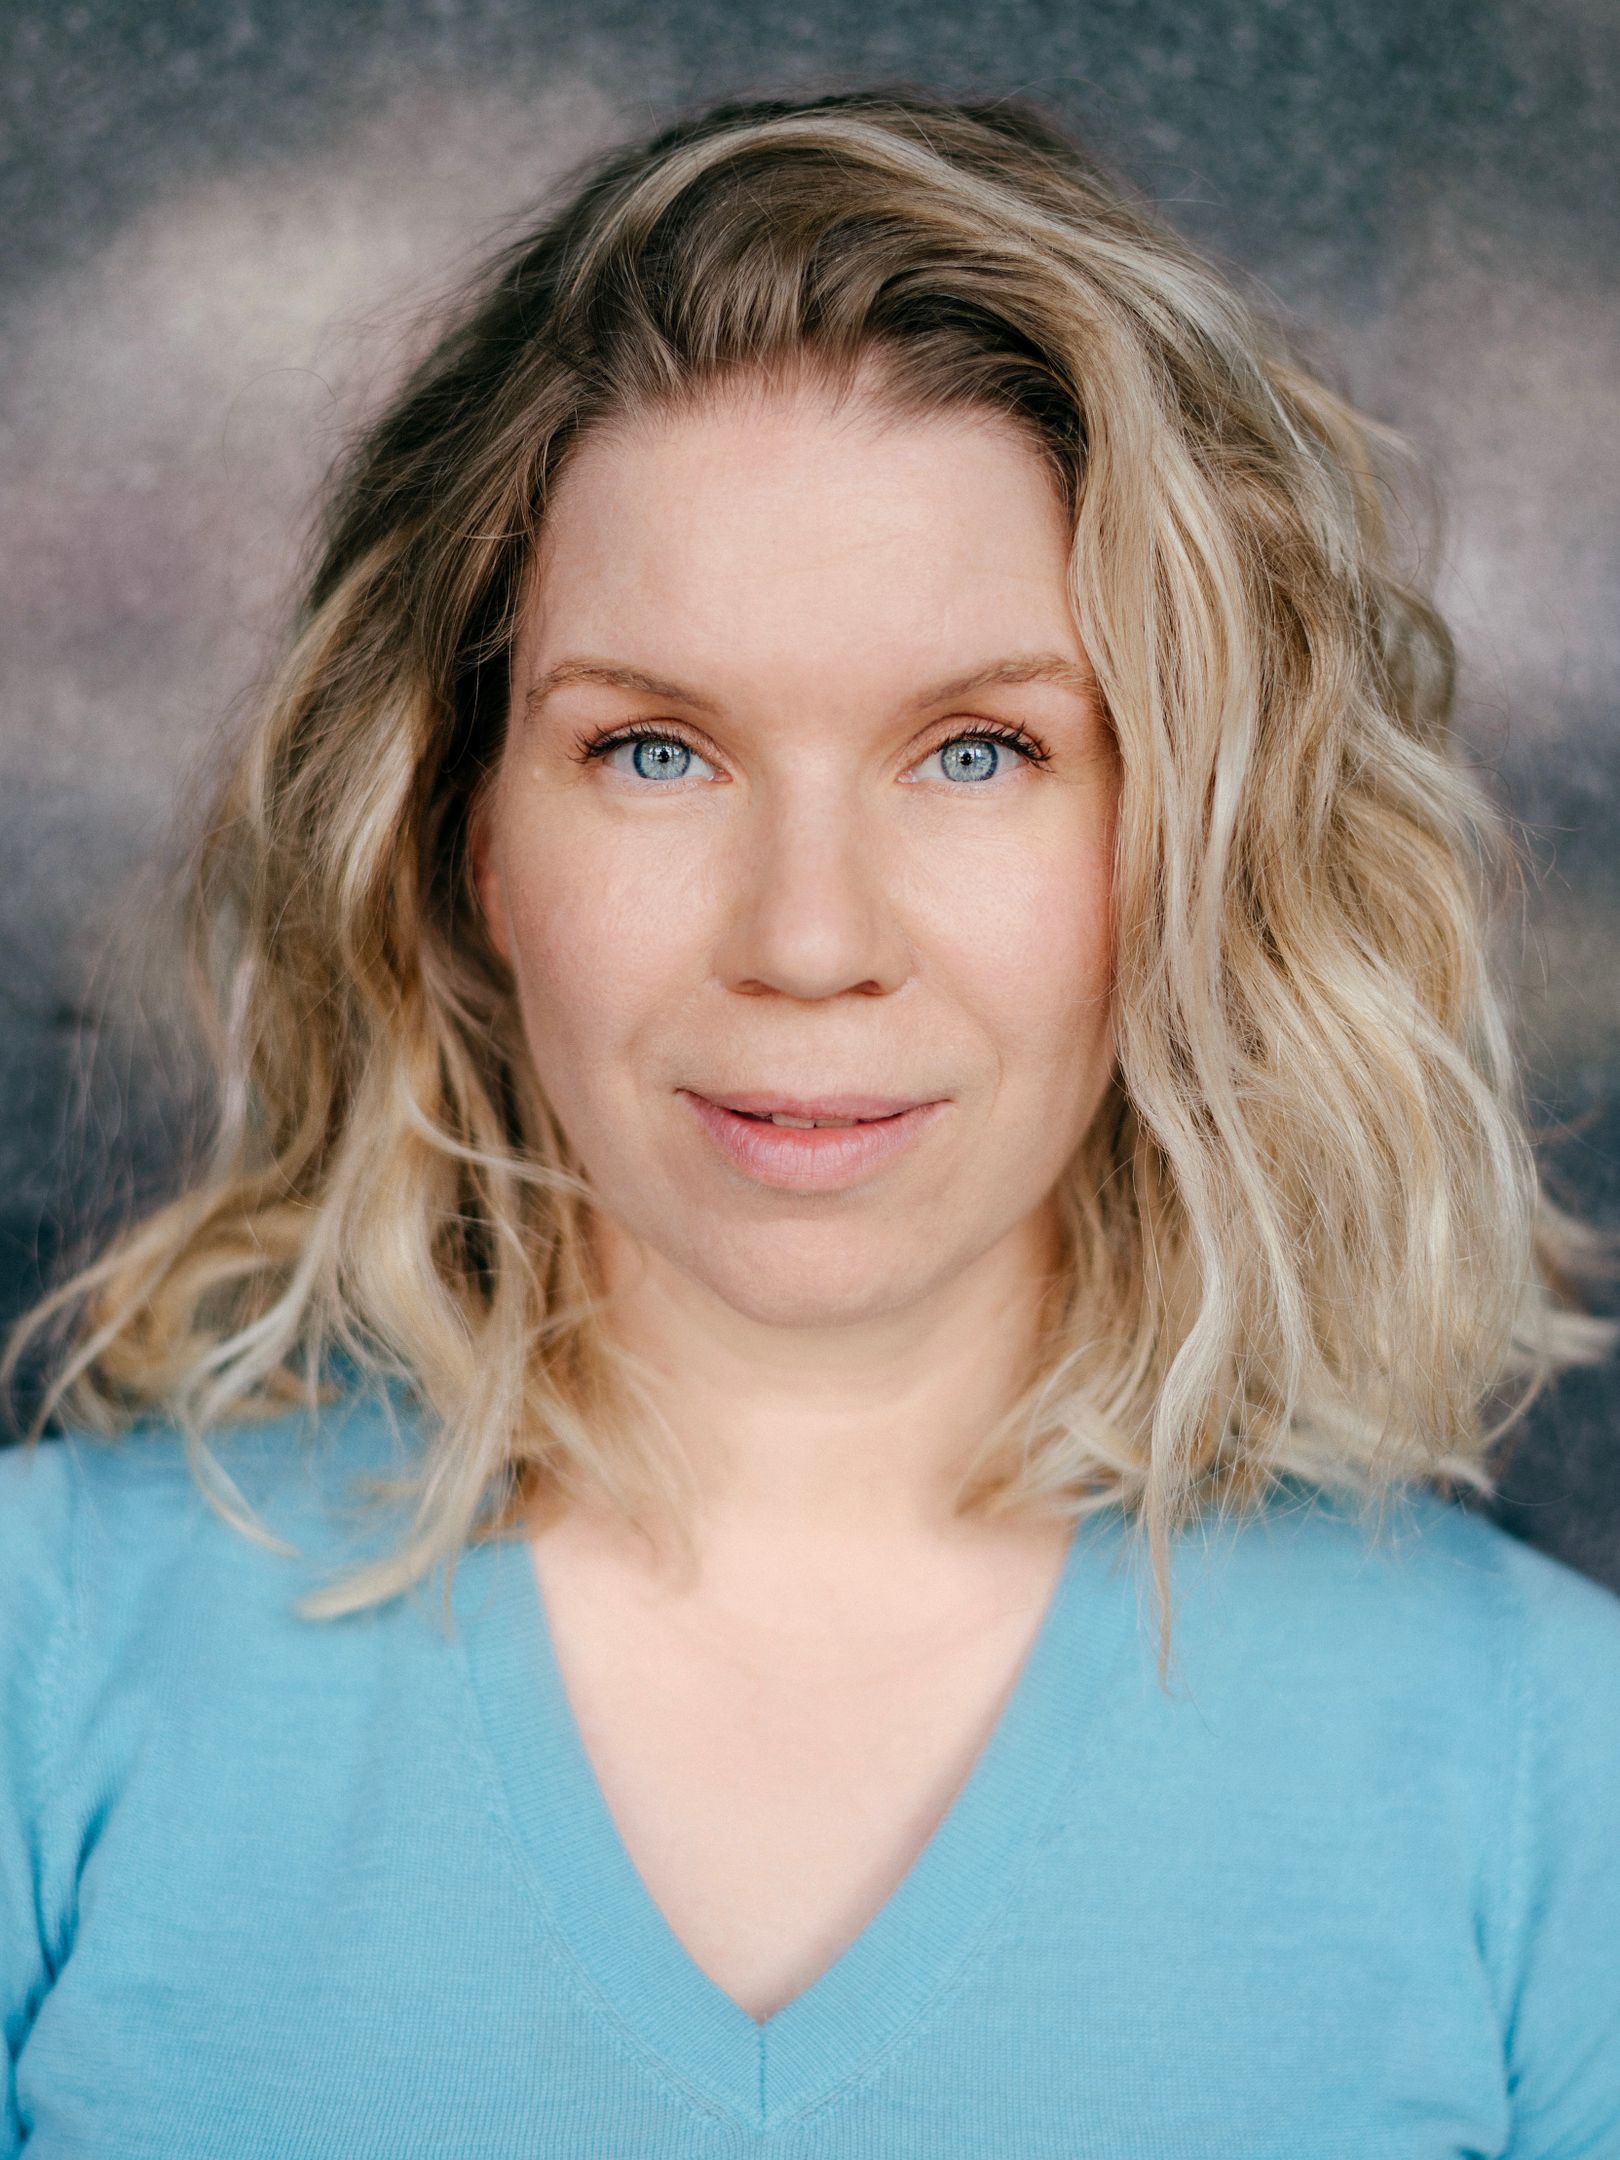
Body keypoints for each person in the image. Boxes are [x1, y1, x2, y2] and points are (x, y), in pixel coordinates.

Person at [2, 85, 1618, 2157]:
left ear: (1198, 844)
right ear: (467, 834)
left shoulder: (1548, 1778)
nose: (810, 939)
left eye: (979, 752)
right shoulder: (46, 1675)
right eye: (654, 750)